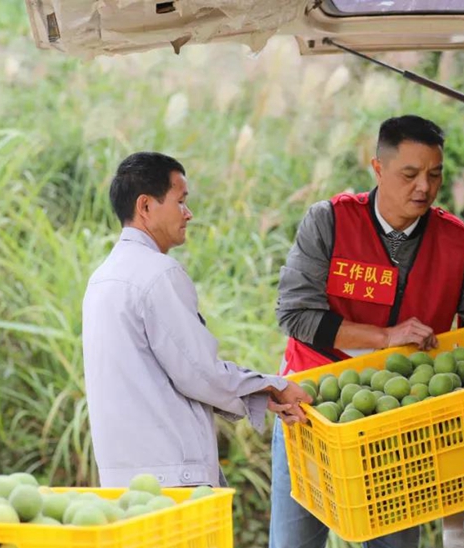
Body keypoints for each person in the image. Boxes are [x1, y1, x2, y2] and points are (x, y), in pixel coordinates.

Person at [267, 115, 464, 548]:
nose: (424, 187)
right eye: (410, 174)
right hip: (313, 411)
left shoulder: (453, 241)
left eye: (434, 174)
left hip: (400, 417)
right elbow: (295, 314)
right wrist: (384, 337)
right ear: (378, 169)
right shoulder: (330, 221)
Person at [82, 151, 311, 492]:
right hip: (172, 477)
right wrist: (271, 385)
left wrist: (264, 392)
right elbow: (200, 372)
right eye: (180, 201)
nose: (188, 214)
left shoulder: (102, 279)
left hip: (122, 479)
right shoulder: (158, 273)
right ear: (145, 206)